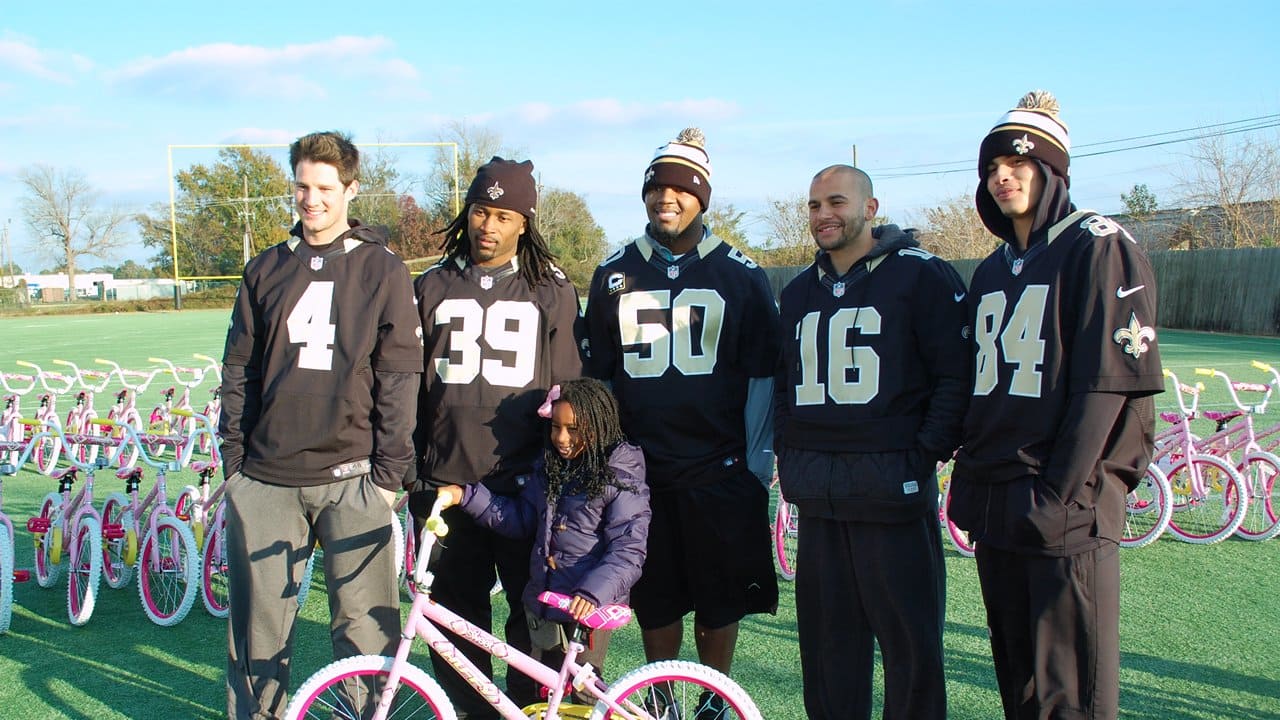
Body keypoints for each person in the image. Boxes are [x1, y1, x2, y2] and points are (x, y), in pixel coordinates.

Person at [948, 91, 1163, 720]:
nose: (1002, 177)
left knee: (1071, 687)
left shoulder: (1098, 245)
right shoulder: (993, 269)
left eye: (1019, 164)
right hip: (997, 499)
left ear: (1054, 170)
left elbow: (1109, 382)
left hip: (1062, 500)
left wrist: (1061, 491)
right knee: (1017, 676)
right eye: (991, 168)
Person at [220, 130, 423, 719]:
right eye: (303, 185)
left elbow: (399, 377)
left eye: (325, 188)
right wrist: (236, 467)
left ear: (351, 190)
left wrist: (388, 476)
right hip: (267, 480)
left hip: (353, 477)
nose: (311, 199)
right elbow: (240, 370)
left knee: (365, 636)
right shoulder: (265, 269)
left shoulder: (382, 270)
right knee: (257, 639)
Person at [583, 127, 780, 717]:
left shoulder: (742, 275)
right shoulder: (613, 273)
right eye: (655, 189)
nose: (664, 198)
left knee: (721, 604)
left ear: (702, 198)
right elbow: (603, 382)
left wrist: (756, 467)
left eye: (679, 189)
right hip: (641, 471)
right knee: (656, 599)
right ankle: (662, 701)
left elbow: (762, 378)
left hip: (719, 467)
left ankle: (715, 703)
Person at [774, 165, 969, 719]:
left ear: (871, 207)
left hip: (892, 496)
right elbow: (786, 386)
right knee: (828, 655)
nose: (823, 214)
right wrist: (792, 453)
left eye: (836, 201)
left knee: (911, 653)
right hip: (820, 501)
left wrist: (922, 451)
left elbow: (955, 376)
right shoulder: (798, 291)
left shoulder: (922, 275)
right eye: (813, 205)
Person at [410, 156, 583, 719]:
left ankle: (526, 712)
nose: (489, 225)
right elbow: (407, 385)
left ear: (523, 223)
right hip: (445, 482)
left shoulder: (551, 292)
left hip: (523, 486)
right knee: (455, 617)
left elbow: (568, 394)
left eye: (504, 215)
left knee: (530, 616)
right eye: (481, 211)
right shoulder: (430, 285)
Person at [435, 377, 650, 696]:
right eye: (555, 427)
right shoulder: (552, 468)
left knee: (579, 695)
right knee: (537, 689)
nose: (562, 438)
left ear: (599, 427)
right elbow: (521, 518)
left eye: (573, 429)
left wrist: (591, 593)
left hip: (586, 609)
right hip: (544, 603)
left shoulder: (621, 475)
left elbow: (629, 551)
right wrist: (467, 497)